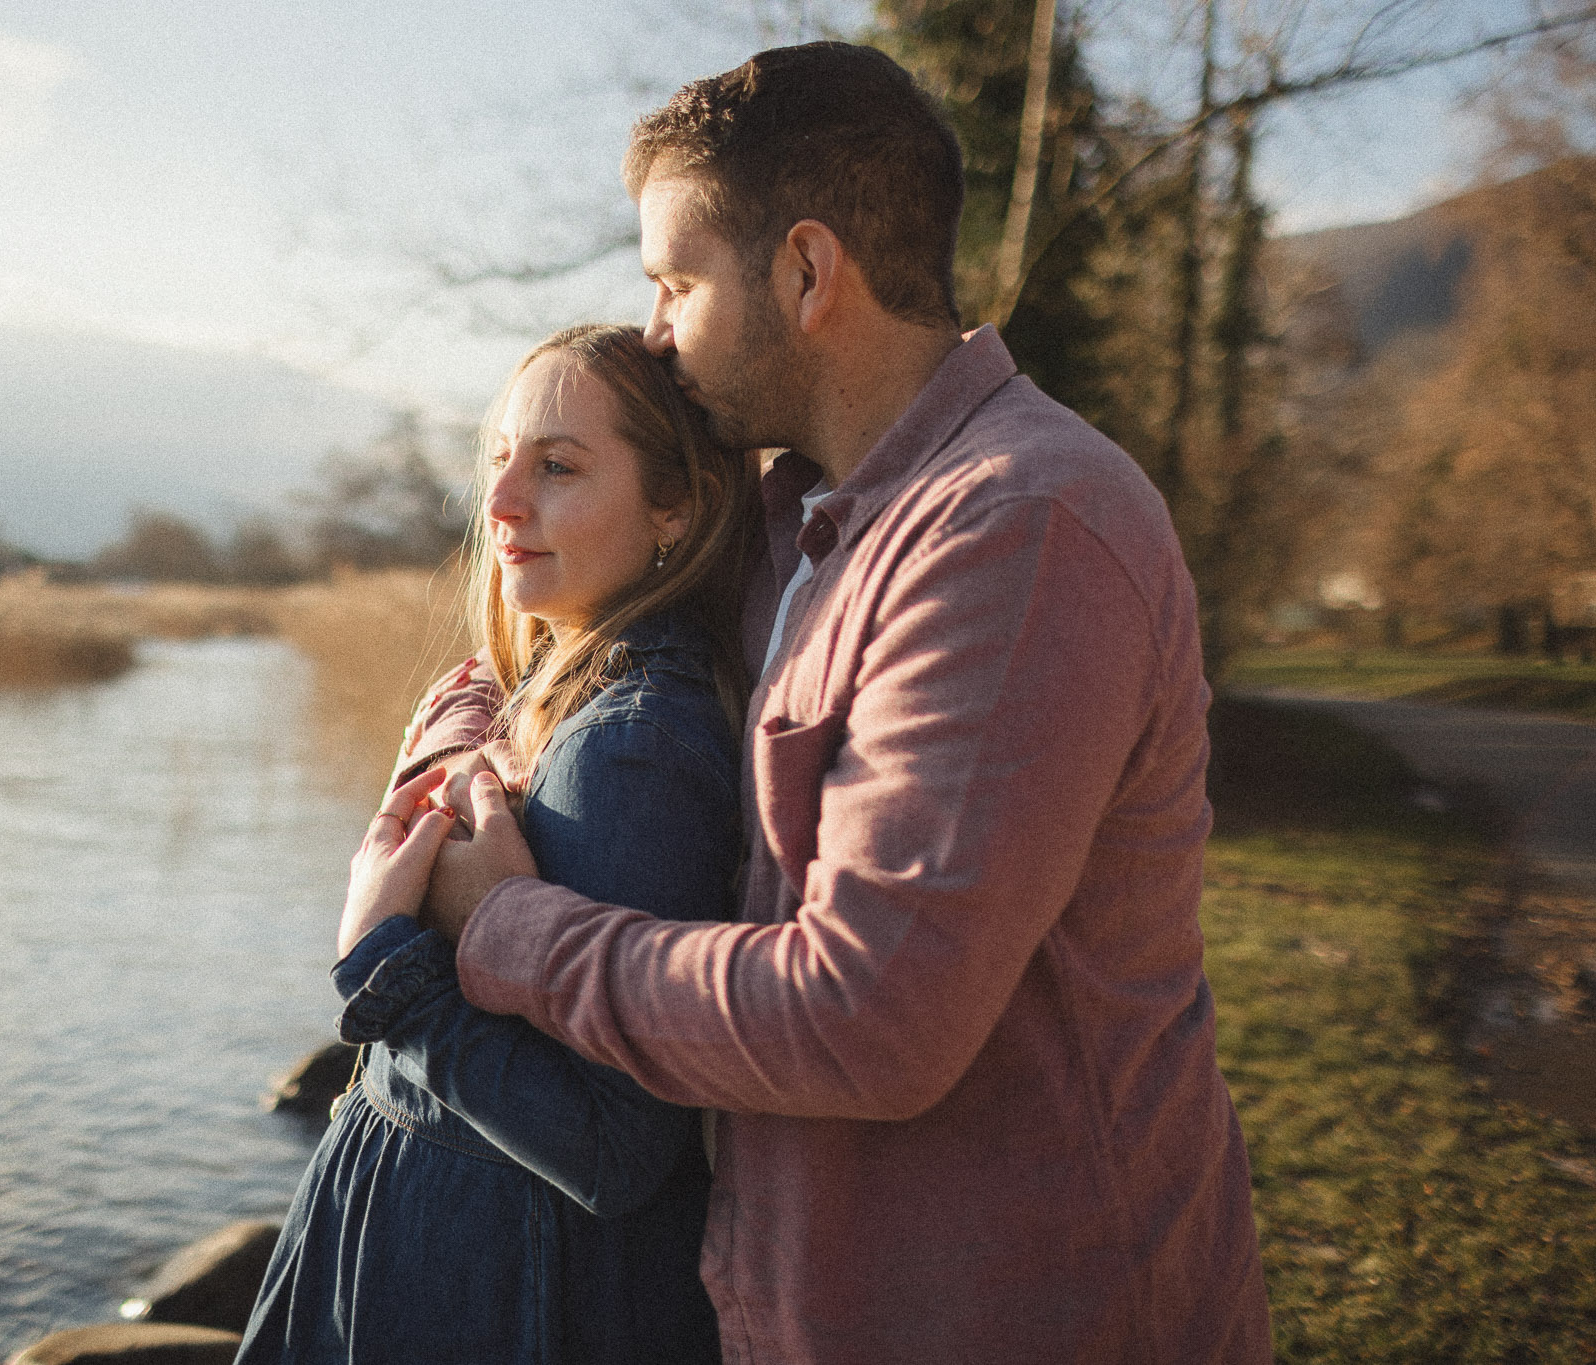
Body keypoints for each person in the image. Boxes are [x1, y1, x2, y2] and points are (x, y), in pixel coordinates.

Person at [406, 42, 1274, 1365]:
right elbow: (579, 627)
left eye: (676, 282)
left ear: (808, 272)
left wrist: (511, 927)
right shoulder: (796, 526)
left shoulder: (1019, 527)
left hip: (1030, 1318)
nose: (654, 330)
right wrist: (464, 748)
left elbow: (869, 1019)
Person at [233, 323, 757, 1365]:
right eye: (498, 461)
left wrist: (387, 959)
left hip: (496, 1291)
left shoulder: (632, 748)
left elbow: (616, 1149)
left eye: (557, 468)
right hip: (440, 1251)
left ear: (677, 508)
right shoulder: (551, 695)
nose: (502, 503)